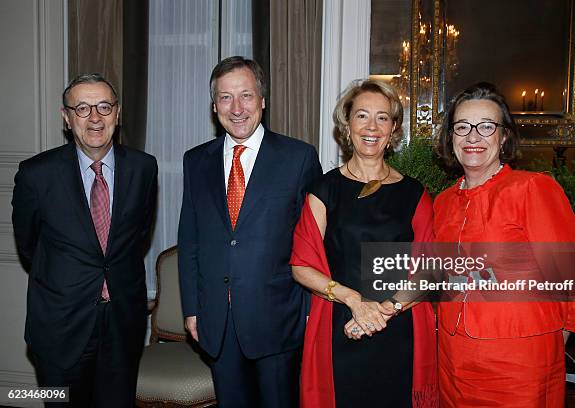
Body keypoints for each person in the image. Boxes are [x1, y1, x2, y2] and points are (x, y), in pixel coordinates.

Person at [433, 82, 575, 407]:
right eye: (462, 127)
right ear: (450, 137)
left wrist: (552, 342)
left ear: (504, 136)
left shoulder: (533, 189)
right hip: (454, 360)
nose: (473, 137)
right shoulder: (442, 202)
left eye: (486, 126)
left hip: (521, 365)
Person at [178, 56, 322, 408]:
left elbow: (314, 242)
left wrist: (308, 312)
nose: (237, 107)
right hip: (217, 322)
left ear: (263, 100)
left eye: (246, 95)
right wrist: (192, 308)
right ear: (215, 106)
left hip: (279, 319)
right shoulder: (195, 161)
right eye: (226, 97)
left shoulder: (298, 158)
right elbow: (190, 239)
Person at [11, 73, 158, 407]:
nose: (95, 117)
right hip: (59, 327)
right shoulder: (35, 174)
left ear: (117, 114)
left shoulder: (144, 168)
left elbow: (138, 236)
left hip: (122, 324)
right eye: (82, 108)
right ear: (66, 117)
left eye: (104, 106)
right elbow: (29, 245)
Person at [290, 79, 438, 408]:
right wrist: (354, 302)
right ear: (347, 123)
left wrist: (381, 313)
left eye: (382, 117)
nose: (372, 127)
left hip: (401, 330)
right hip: (340, 327)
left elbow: (429, 269)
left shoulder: (416, 194)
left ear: (394, 128)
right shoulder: (323, 190)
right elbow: (301, 264)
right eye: (362, 116)